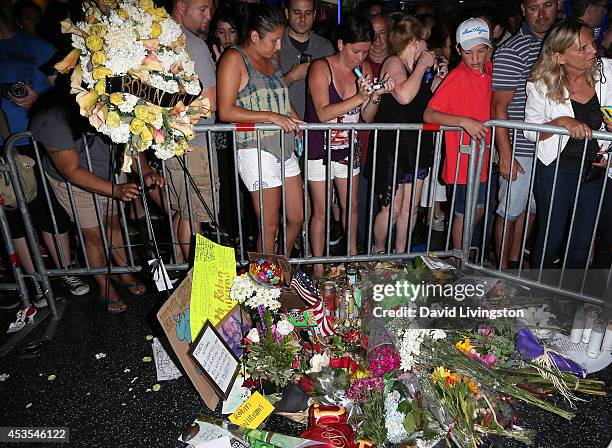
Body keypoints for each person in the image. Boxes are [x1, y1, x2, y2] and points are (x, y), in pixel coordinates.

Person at [29, 77, 164, 314]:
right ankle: (104, 286)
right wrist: (116, 190)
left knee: (113, 225)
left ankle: (124, 273)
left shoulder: (113, 101)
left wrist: (145, 171)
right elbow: (71, 171)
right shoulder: (51, 118)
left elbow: (130, 142)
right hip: (76, 184)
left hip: (110, 172)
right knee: (92, 236)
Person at [1, 0, 90, 304]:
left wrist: (38, 100)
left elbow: (62, 86)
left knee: (48, 209)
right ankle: (38, 281)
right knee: (13, 215)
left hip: (35, 138)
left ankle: (65, 269)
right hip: (3, 145)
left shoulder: (35, 45)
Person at [305, 13, 394, 273]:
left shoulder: (365, 69)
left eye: (365, 53)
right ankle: (319, 267)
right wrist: (358, 97)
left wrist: (375, 96)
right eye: (356, 51)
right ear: (341, 44)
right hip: (318, 148)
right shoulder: (321, 67)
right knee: (320, 211)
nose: (360, 59)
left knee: (351, 207)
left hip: (348, 148)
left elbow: (366, 117)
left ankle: (351, 260)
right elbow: (322, 113)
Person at [524, 19, 611, 272]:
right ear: (560, 56)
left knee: (583, 241)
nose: (593, 51)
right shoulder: (540, 85)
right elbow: (530, 131)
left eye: (592, 44)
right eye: (582, 48)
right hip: (557, 169)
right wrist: (561, 121)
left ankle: (568, 302)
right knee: (551, 236)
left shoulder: (607, 73)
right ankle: (538, 296)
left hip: (595, 169)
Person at [217, 4, 304, 254]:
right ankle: (263, 285)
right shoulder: (234, 58)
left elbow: (281, 95)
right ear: (255, 36)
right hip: (254, 148)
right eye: (275, 40)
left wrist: (296, 119)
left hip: (283, 145)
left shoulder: (272, 58)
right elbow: (225, 111)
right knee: (269, 225)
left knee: (297, 217)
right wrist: (272, 117)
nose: (280, 47)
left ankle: (280, 267)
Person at [371, 15, 448, 254]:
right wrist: (424, 65)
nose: (428, 47)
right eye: (424, 41)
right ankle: (378, 252)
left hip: (416, 143)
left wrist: (437, 79)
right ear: (414, 42)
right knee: (392, 207)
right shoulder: (393, 62)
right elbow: (403, 96)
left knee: (412, 206)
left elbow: (420, 100)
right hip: (394, 145)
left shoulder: (416, 68)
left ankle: (400, 254)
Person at [492, 0, 558, 269]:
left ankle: (516, 267)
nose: (541, 14)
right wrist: (505, 153)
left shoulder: (558, 45)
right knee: (509, 212)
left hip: (547, 149)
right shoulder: (512, 50)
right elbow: (499, 107)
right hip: (519, 148)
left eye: (548, 5)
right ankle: (501, 274)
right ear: (522, 9)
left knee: (530, 211)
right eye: (534, 8)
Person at [423, 18, 493, 253]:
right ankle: (458, 257)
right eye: (468, 52)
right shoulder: (457, 77)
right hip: (462, 159)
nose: (475, 58)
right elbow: (429, 114)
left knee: (479, 209)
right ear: (458, 50)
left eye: (481, 51)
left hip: (481, 158)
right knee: (464, 212)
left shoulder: (490, 70)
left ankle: (462, 251)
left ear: (489, 48)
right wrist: (464, 122)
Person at [169, 0, 219, 264]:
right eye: (203, 9)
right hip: (195, 143)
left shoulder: (159, 39)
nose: (209, 15)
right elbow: (210, 105)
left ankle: (178, 268)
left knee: (183, 210)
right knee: (194, 215)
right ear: (181, 6)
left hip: (170, 143)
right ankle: (192, 281)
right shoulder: (195, 46)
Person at [280, 0, 334, 119]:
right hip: (283, 127)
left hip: (317, 128)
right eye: (297, 12)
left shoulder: (326, 48)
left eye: (308, 13)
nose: (302, 18)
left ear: (314, 15)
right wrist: (291, 76)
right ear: (287, 13)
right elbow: (263, 92)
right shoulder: (275, 45)